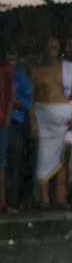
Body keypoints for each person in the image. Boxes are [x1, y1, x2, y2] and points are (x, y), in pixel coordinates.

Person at [30, 36, 72, 210]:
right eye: (49, 46)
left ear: (59, 49)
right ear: (44, 49)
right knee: (44, 160)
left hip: (64, 123)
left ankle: (60, 198)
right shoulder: (36, 71)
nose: (52, 49)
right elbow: (31, 100)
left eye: (55, 46)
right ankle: (44, 200)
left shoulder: (67, 69)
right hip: (44, 123)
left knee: (63, 161)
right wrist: (33, 124)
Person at [6, 46, 31, 209]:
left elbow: (26, 104)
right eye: (7, 60)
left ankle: (12, 200)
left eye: (13, 60)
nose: (10, 63)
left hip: (15, 125)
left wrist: (12, 101)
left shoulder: (21, 78)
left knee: (14, 164)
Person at [0, 48, 15, 214]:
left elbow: (10, 98)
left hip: (1, 123)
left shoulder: (6, 70)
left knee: (0, 166)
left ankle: (2, 203)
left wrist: (6, 121)